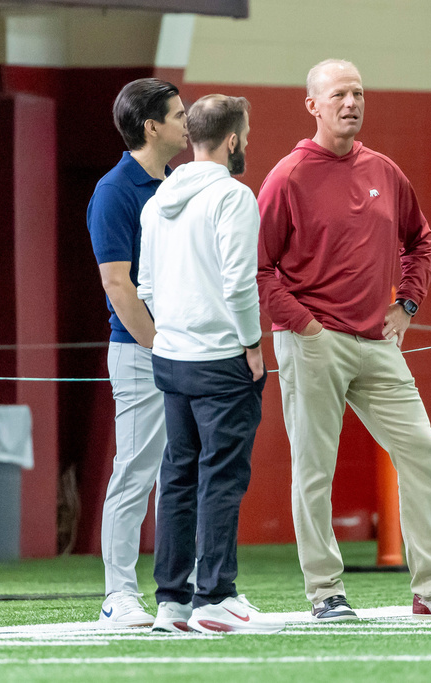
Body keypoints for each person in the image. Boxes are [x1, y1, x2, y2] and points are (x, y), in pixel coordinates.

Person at [257, 59, 431, 621]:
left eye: (359, 93)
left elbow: (421, 240)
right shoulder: (287, 177)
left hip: (378, 343)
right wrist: (305, 325)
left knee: (421, 449)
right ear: (313, 106)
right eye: (339, 94)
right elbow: (258, 267)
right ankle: (326, 593)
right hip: (312, 342)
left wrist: (408, 304)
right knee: (314, 468)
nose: (351, 102)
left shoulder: (385, 172)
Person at [138, 94, 283, 634]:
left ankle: (172, 602)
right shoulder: (233, 196)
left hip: (171, 358)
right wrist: (252, 344)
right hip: (223, 359)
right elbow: (240, 282)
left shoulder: (157, 201)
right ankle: (215, 597)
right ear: (232, 140)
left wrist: (173, 334)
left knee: (178, 477)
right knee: (220, 478)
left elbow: (145, 286)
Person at [86, 78, 188, 628]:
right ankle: (118, 595)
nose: (186, 122)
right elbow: (118, 286)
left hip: (185, 352)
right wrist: (161, 348)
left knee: (187, 471)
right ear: (151, 127)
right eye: (177, 114)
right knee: (136, 472)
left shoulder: (176, 187)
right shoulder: (115, 191)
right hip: (141, 353)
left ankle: (191, 591)